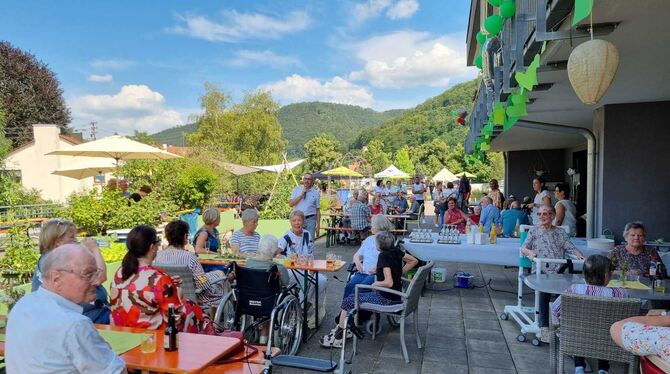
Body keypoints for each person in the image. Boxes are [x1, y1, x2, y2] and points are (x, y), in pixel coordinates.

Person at [6, 244, 126, 373]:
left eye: (96, 273)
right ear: (56, 279)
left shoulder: (23, 304)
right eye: (88, 274)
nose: (97, 282)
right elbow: (116, 371)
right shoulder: (74, 324)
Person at [320, 231, 418, 348]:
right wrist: (398, 272)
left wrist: (376, 284)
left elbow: (388, 282)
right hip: (396, 296)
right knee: (354, 297)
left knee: (349, 300)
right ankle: (347, 328)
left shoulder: (382, 256)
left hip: (385, 299)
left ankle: (339, 337)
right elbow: (414, 261)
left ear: (378, 246)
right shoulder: (397, 251)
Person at [110, 225, 209, 333]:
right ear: (152, 247)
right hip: (154, 337)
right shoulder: (159, 279)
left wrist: (168, 284)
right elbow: (175, 320)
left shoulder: (119, 273)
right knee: (191, 307)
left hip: (125, 332)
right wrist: (178, 294)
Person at [551, 254, 626, 374]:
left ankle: (579, 367)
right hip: (610, 341)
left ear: (584, 275)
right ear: (606, 276)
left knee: (579, 327)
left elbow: (555, 310)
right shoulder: (620, 294)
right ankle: (603, 369)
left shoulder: (573, 290)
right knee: (606, 329)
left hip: (576, 338)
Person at [520, 205, 585, 343]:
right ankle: (544, 326)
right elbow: (524, 247)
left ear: (553, 216)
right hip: (541, 268)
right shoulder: (534, 231)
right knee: (545, 291)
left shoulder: (560, 232)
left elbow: (570, 247)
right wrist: (531, 253)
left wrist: (581, 257)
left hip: (559, 270)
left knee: (569, 292)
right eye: (540, 214)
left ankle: (562, 325)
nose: (542, 216)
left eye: (546, 214)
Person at [32, 218, 110, 324]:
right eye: (72, 237)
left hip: (75, 314)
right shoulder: (61, 261)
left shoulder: (48, 258)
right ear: (58, 241)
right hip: (85, 317)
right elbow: (100, 277)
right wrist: (94, 248)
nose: (76, 240)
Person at [155, 220, 228, 308]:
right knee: (222, 279)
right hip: (193, 297)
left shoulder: (157, 257)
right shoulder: (190, 257)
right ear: (185, 236)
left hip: (168, 296)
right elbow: (203, 283)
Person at [277, 210, 327, 327]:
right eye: (294, 220)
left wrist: (311, 265)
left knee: (322, 281)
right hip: (291, 270)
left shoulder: (307, 234)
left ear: (303, 222)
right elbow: (276, 254)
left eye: (299, 220)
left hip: (306, 268)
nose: (297, 223)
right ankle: (299, 310)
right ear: (290, 222)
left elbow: (310, 254)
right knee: (309, 281)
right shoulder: (286, 237)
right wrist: (287, 258)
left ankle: (305, 305)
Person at [344, 215, 394, 298]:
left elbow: (389, 260)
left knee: (358, 290)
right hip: (363, 272)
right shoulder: (369, 239)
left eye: (372, 224)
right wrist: (357, 262)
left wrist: (379, 268)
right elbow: (357, 255)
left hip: (375, 275)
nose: (371, 226)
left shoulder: (386, 241)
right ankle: (344, 311)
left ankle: (354, 309)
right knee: (349, 287)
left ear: (379, 226)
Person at [289, 173, 321, 242]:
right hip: (297, 220)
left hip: (310, 220)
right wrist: (301, 195)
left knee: (309, 241)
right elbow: (291, 204)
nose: (307, 181)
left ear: (312, 181)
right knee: (296, 241)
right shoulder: (296, 189)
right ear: (303, 180)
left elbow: (317, 210)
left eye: (309, 179)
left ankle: (308, 253)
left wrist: (318, 226)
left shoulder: (316, 193)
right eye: (305, 179)